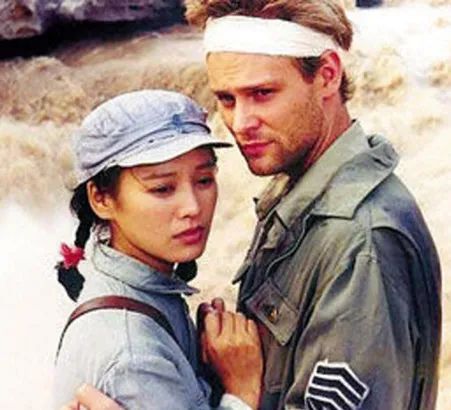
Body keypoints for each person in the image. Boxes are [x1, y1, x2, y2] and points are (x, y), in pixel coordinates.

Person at [68, 0, 442, 409]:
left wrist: (240, 394)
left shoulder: (361, 242)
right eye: (227, 100)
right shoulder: (301, 192)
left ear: (327, 75)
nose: (240, 123)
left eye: (262, 94)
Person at [54, 89, 263, 410]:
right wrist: (242, 390)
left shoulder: (148, 290)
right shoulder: (132, 358)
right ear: (101, 199)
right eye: (162, 188)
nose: (192, 207)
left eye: (204, 180)